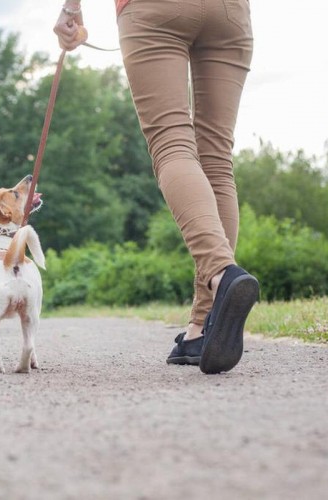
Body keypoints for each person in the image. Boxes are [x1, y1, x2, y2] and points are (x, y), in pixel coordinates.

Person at [54, 0, 259, 374]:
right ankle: (201, 327)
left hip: (154, 9)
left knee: (172, 143)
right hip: (230, 12)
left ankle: (221, 272)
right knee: (216, 158)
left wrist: (71, 10)